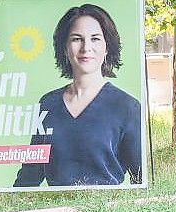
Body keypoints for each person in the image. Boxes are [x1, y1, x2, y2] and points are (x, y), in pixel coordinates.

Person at [14, 4, 142, 187]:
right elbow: (30, 174)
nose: (86, 47)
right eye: (76, 39)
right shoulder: (47, 104)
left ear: (107, 47)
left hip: (105, 210)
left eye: (95, 39)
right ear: (65, 47)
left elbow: (140, 178)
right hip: (54, 211)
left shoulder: (127, 107)